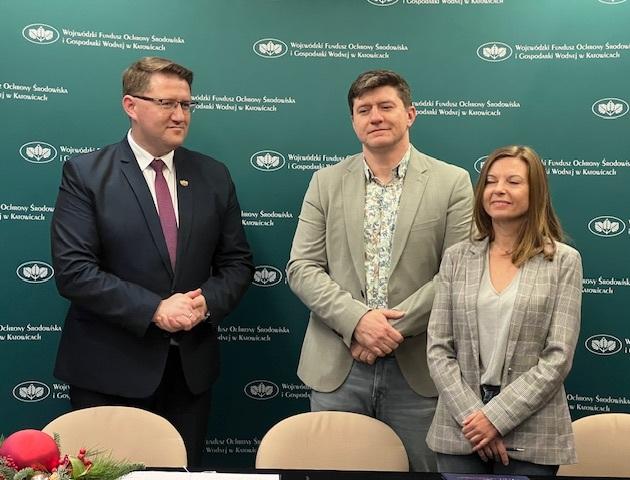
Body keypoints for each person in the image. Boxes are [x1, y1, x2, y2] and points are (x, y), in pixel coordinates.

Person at [50, 57, 253, 467]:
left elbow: (237, 263)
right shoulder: (87, 174)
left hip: (187, 377)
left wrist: (204, 303)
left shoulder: (213, 175)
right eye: (167, 103)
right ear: (131, 105)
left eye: (186, 104)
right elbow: (74, 271)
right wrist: (155, 309)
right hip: (107, 372)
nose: (180, 115)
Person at [286, 70, 473, 471]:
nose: (375, 117)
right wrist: (358, 322)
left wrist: (386, 332)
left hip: (420, 370)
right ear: (353, 120)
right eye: (364, 110)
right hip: (338, 367)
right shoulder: (325, 182)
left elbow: (458, 273)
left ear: (410, 114)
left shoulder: (452, 182)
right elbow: (302, 267)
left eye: (386, 106)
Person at [426, 145, 582, 476]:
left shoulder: (563, 261)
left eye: (513, 181)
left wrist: (496, 418)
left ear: (535, 192)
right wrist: (475, 418)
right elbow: (439, 348)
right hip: (461, 429)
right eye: (491, 181)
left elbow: (558, 357)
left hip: (532, 432)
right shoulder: (456, 258)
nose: (498, 189)